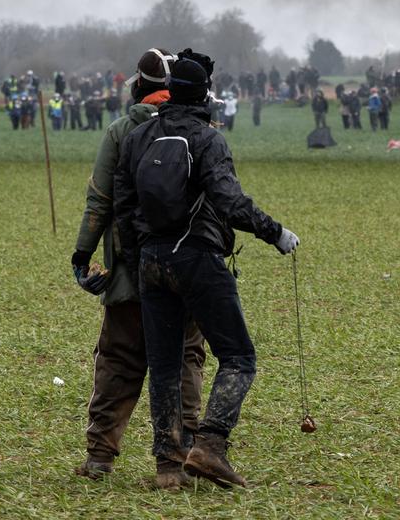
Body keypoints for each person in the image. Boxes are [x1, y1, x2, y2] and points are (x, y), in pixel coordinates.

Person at [114, 49, 300, 489]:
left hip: (151, 263)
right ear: (205, 97)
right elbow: (229, 201)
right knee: (238, 357)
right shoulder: (207, 139)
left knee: (163, 365)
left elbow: (123, 207)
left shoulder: (139, 137)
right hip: (197, 257)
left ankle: (168, 467)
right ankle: (210, 445)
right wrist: (274, 233)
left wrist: (141, 257)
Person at [71, 48, 208, 490]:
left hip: (132, 270)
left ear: (139, 86)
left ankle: (99, 459)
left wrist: (82, 255)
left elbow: (100, 200)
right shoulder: (201, 129)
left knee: (119, 358)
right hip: (187, 267)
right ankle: (180, 458)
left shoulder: (120, 131)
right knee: (185, 359)